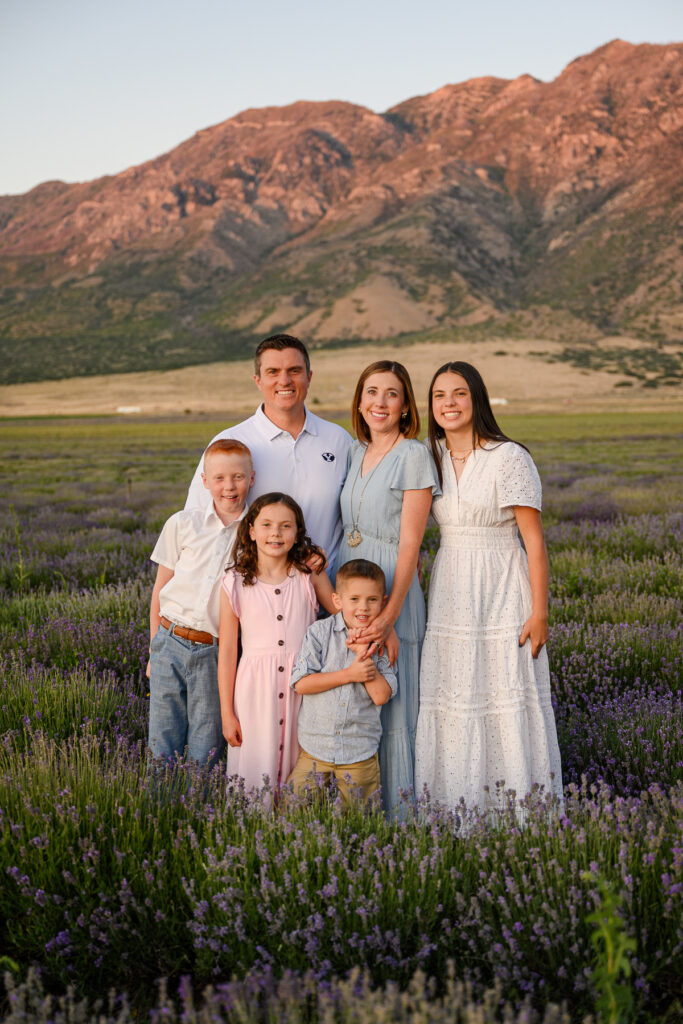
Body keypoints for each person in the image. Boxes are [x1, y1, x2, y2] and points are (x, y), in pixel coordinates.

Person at [414, 361, 563, 818]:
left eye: (459, 393)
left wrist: (540, 613)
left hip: (501, 585)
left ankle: (516, 813)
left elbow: (534, 542)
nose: (449, 404)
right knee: (454, 692)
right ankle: (452, 810)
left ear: (476, 398)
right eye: (439, 395)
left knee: (503, 691)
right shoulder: (430, 455)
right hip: (451, 586)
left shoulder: (508, 456)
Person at [337, 361, 439, 812]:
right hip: (352, 587)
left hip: (392, 590)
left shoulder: (412, 454)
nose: (380, 402)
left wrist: (388, 616)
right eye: (372, 392)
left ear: (405, 406)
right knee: (357, 696)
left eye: (392, 394)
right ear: (360, 401)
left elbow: (412, 544)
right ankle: (356, 810)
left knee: (393, 701)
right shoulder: (355, 451)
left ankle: (399, 815)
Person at [186, 334, 352, 575]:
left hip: (326, 587)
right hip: (254, 591)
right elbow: (198, 523)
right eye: (273, 372)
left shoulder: (338, 440)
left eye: (294, 371)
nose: (284, 381)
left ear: (309, 377)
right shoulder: (230, 444)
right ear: (258, 380)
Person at [218, 492, 337, 795]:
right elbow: (228, 651)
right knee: (256, 763)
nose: (276, 533)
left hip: (304, 685)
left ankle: (297, 822)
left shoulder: (308, 574)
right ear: (251, 531)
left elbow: (341, 615)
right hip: (255, 690)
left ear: (297, 533)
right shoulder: (234, 582)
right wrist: (227, 713)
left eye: (286, 526)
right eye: (267, 525)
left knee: (302, 763)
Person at [147, 439, 254, 765]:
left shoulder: (255, 535)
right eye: (219, 478)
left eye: (238, 477)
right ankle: (160, 799)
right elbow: (160, 590)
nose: (229, 486)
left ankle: (196, 799)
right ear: (205, 481)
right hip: (169, 641)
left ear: (251, 478)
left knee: (205, 745)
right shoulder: (182, 524)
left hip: (215, 652)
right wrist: (153, 648)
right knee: (162, 739)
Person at [288, 559, 398, 808]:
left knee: (358, 817)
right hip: (316, 747)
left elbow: (381, 696)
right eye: (354, 599)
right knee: (294, 808)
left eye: (372, 599)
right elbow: (301, 683)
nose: (363, 607)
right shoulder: (319, 633)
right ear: (337, 601)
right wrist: (349, 674)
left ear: (383, 602)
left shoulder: (382, 643)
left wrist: (362, 653)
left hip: (359, 751)